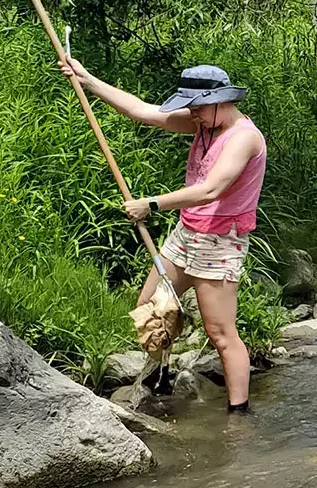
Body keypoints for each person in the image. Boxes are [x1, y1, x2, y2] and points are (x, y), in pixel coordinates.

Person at [59, 60, 266, 415]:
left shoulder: (243, 137)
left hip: (220, 241)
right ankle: (161, 379)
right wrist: (87, 79)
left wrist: (151, 205)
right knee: (151, 309)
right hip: (187, 234)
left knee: (220, 333)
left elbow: (211, 190)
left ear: (221, 101)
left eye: (198, 107)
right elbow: (140, 110)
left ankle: (238, 415)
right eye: (191, 107)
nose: (193, 114)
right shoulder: (203, 123)